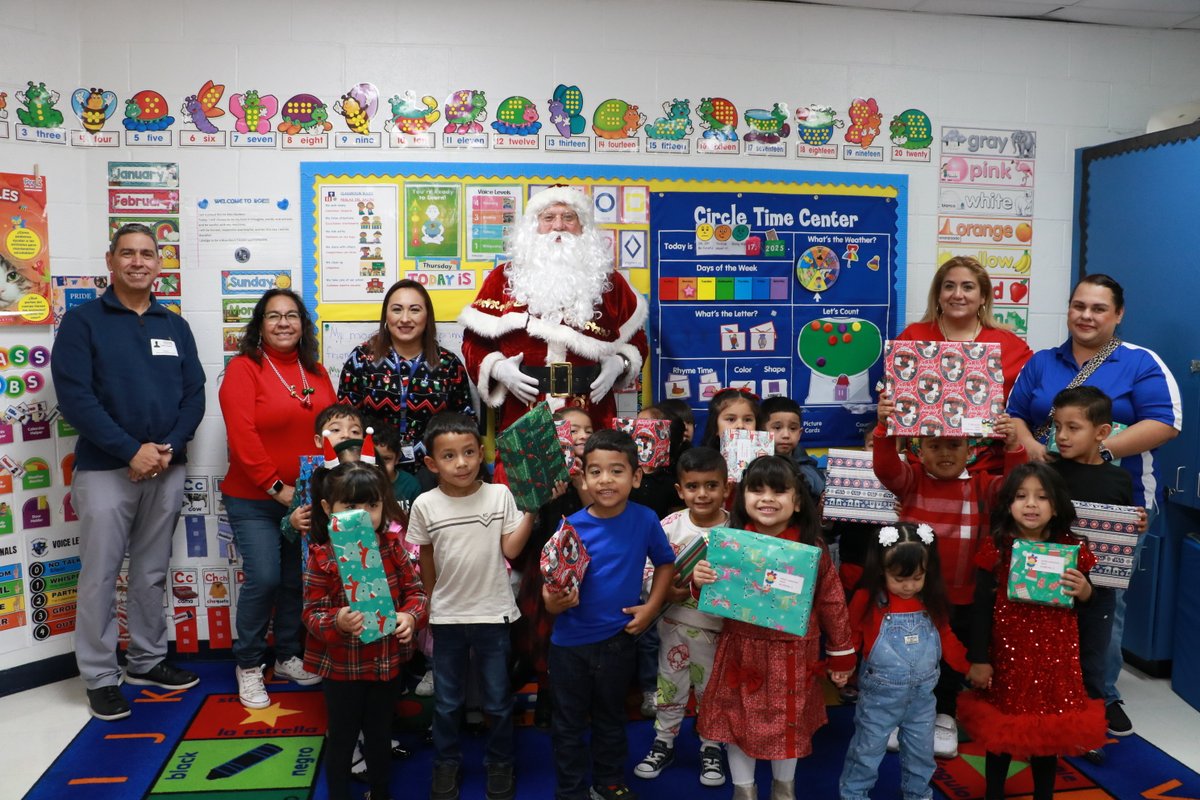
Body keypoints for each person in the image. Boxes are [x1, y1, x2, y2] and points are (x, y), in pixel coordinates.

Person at [1007, 273, 1181, 736]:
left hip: (1117, 505)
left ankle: (1101, 693)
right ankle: (1039, 683)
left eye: (1098, 308)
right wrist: (1029, 445)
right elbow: (1014, 416)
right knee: (1043, 591)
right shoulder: (1043, 362)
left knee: (1105, 601)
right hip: (1044, 504)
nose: (1086, 315)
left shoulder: (1141, 363)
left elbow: (1166, 422)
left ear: (1118, 314)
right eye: (1078, 305)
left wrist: (1099, 453)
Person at [52, 222, 206, 721]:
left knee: (151, 570)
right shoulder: (82, 323)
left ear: (160, 263)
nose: (138, 261)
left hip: (167, 465)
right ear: (110, 260)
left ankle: (146, 659)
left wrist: (169, 447)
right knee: (99, 575)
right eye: (128, 253)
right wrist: (128, 450)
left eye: (147, 254)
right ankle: (99, 675)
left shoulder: (173, 324)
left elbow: (194, 393)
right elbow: (76, 398)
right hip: (105, 469)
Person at [872, 392, 1025, 758]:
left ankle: (944, 716)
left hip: (966, 597)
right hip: (914, 597)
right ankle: (903, 714)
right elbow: (885, 468)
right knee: (908, 657)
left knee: (951, 661)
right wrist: (884, 427)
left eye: (954, 445)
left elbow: (1018, 485)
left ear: (969, 449)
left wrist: (1014, 445)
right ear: (918, 450)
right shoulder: (910, 480)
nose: (944, 453)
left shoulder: (983, 486)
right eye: (934, 445)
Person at [694, 456, 856, 800]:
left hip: (794, 654)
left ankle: (784, 790)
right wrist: (700, 581)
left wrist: (841, 654)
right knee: (739, 722)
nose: (767, 498)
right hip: (744, 650)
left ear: (797, 501)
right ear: (742, 498)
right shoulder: (730, 544)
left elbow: (832, 602)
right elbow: (713, 592)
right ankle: (744, 790)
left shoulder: (812, 549)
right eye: (757, 490)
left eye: (779, 491)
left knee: (789, 722)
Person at [957, 463, 1106, 800]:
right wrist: (979, 659)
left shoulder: (1071, 548)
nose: (1031, 504)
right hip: (1008, 657)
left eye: (1042, 497)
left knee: (1047, 734)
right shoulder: (998, 548)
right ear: (1008, 503)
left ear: (1057, 506)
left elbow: (1090, 599)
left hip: (1054, 660)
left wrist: (1085, 590)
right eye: (1021, 496)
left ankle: (1044, 794)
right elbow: (979, 609)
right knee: (1002, 730)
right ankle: (993, 791)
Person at [407, 413, 536, 800]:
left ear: (482, 453)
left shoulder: (499, 495)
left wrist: (530, 509)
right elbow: (425, 554)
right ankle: (446, 764)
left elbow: (510, 549)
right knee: (447, 703)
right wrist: (431, 598)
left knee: (498, 700)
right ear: (431, 463)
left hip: (493, 614)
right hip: (447, 618)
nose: (460, 463)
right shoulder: (425, 504)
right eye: (448, 456)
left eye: (468, 453)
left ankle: (500, 763)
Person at [542, 429, 676, 800]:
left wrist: (651, 608)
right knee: (568, 724)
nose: (605, 480)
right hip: (568, 645)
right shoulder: (570, 525)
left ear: (636, 477)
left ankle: (609, 780)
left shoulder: (646, 519)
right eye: (595, 471)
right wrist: (553, 602)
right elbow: (550, 582)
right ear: (583, 477)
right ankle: (570, 789)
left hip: (619, 641)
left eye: (616, 471)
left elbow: (666, 564)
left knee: (612, 718)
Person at [220, 289, 337, 708]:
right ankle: (249, 664)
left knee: (295, 581)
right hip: (255, 498)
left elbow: (332, 429)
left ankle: (287, 654)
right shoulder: (243, 369)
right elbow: (242, 434)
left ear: (303, 325)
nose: (284, 323)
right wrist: (276, 488)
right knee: (266, 577)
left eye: (292, 316)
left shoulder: (317, 371)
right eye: (274, 316)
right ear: (260, 324)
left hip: (307, 498)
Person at [458, 186, 648, 433]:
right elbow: (474, 342)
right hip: (524, 414)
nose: (558, 226)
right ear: (534, 226)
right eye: (549, 217)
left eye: (569, 217)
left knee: (589, 472)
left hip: (591, 416)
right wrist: (498, 368)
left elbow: (638, 342)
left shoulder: (610, 283)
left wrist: (620, 363)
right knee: (523, 472)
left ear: (583, 227)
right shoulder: (503, 279)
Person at [302, 461, 427, 800]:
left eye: (372, 505)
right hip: (342, 668)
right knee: (342, 737)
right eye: (351, 505)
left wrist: (410, 617)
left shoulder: (391, 547)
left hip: (386, 663)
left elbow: (416, 592)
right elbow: (311, 614)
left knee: (379, 733)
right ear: (329, 509)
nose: (363, 514)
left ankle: (380, 792)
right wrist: (337, 621)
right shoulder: (322, 556)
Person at [838, 523, 974, 800]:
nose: (908, 586)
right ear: (880, 570)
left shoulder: (931, 601)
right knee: (867, 750)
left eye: (917, 578)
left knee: (921, 752)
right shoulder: (869, 599)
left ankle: (918, 793)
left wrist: (968, 667)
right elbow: (850, 636)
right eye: (899, 579)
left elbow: (946, 636)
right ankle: (854, 794)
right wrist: (843, 666)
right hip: (879, 697)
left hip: (923, 697)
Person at [1046, 386, 1141, 757]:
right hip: (1049, 584)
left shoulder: (1120, 480)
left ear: (1102, 433)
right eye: (1057, 427)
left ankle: (1086, 728)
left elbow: (1123, 524)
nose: (1063, 436)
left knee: (1091, 660)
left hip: (1099, 590)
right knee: (1049, 655)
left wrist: (1139, 523)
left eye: (1073, 427)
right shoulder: (1048, 471)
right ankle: (1046, 723)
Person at [634, 446, 730, 788]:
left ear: (726, 487)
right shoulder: (669, 526)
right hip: (673, 627)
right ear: (679, 490)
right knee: (668, 687)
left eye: (711, 485)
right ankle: (664, 742)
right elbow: (647, 570)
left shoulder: (737, 531)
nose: (702, 494)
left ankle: (712, 746)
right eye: (692, 486)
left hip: (718, 632)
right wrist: (664, 591)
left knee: (712, 692)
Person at [897, 256, 1033, 474]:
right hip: (921, 474)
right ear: (938, 295)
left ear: (983, 297)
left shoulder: (1010, 346)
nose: (957, 294)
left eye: (968, 287)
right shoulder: (913, 337)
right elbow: (896, 407)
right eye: (949, 286)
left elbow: (1023, 411)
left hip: (987, 475)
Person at [511, 406, 593, 729]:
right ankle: (543, 689)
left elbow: (598, 515)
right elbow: (527, 523)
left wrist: (581, 483)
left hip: (583, 569)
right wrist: (545, 491)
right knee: (541, 634)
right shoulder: (540, 473)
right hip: (543, 567)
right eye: (573, 431)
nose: (581, 436)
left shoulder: (597, 471)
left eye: (587, 430)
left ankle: (569, 695)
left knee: (575, 634)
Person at [338, 278, 475, 472]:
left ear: (427, 316)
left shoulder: (448, 364)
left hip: (435, 471)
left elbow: (465, 422)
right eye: (397, 309)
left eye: (415, 309)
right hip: (372, 468)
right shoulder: (362, 358)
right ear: (386, 315)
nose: (405, 318)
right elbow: (345, 420)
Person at [760, 395, 825, 503]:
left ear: (800, 434)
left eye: (793, 428)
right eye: (777, 428)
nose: (786, 435)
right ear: (761, 431)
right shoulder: (749, 466)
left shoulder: (809, 472)